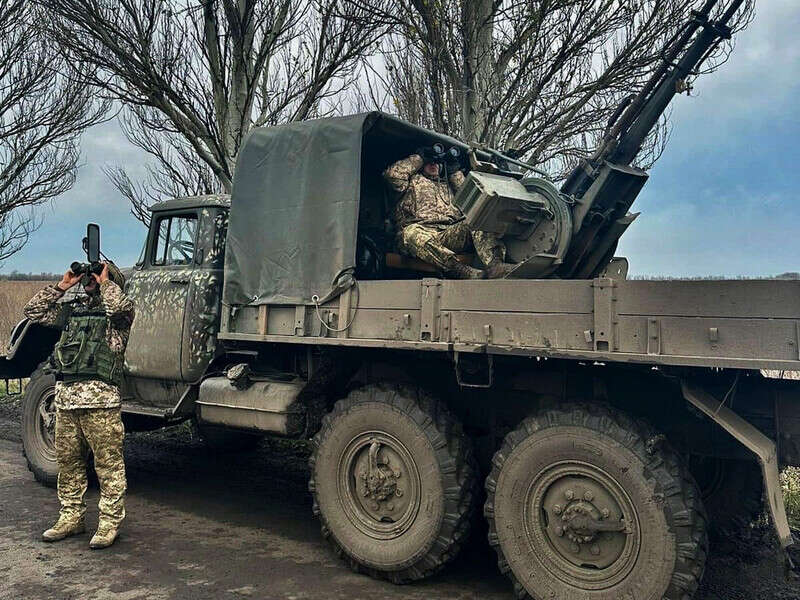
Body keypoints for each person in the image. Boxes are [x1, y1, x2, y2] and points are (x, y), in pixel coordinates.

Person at [24, 261, 134, 549]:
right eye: (90, 276)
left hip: (101, 404)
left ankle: (109, 523)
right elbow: (33, 312)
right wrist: (63, 286)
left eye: (95, 276)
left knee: (108, 466)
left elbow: (121, 308)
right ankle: (71, 517)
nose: (90, 279)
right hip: (67, 401)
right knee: (68, 464)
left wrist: (106, 281)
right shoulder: (72, 312)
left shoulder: (117, 316)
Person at [383, 148, 514, 279]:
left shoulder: (447, 185)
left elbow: (470, 196)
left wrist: (454, 171)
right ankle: (458, 269)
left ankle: (495, 265)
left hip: (447, 233)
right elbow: (393, 175)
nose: (433, 165)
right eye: (430, 162)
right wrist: (420, 158)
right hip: (418, 234)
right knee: (411, 233)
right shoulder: (412, 182)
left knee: (477, 218)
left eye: (437, 162)